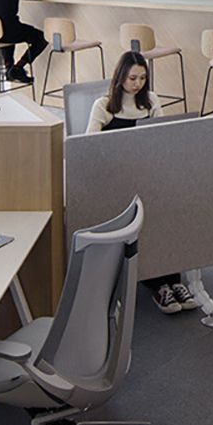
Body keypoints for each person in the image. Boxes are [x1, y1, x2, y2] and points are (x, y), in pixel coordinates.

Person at [85, 51, 198, 314]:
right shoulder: (104, 106)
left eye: (143, 78)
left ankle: (173, 280)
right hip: (118, 180)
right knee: (147, 215)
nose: (138, 84)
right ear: (120, 77)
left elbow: (162, 138)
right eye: (132, 78)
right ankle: (159, 285)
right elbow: (88, 147)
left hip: (148, 174)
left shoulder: (151, 101)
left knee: (171, 210)